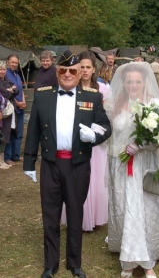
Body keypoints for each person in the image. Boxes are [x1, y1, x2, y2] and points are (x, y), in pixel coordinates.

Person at [23, 50, 111, 278]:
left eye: (74, 70)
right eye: (64, 70)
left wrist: (95, 136)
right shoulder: (43, 96)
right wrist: (29, 162)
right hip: (51, 164)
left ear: (80, 71)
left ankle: (75, 263)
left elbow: (105, 125)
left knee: (75, 214)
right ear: (57, 72)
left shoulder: (92, 97)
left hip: (77, 165)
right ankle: (50, 264)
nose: (69, 74)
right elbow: (32, 131)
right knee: (50, 214)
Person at [104, 62, 159, 278]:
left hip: (144, 164)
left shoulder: (154, 104)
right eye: (129, 81)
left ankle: (145, 260)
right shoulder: (116, 104)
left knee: (141, 208)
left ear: (144, 82)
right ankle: (128, 255)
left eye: (137, 81)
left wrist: (141, 146)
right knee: (124, 206)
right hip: (120, 164)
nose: (133, 85)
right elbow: (109, 134)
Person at [61, 51, 109, 231]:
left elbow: (107, 117)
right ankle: (76, 217)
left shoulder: (102, 89)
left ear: (94, 69)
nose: (85, 71)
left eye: (88, 67)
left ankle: (94, 217)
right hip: (76, 140)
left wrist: (97, 131)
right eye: (81, 67)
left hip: (95, 142)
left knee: (95, 180)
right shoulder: (71, 88)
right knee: (74, 179)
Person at [0, 60, 18, 169]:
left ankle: (2, 159)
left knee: (7, 134)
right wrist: (10, 90)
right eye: (0, 69)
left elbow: (16, 89)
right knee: (1, 135)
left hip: (9, 112)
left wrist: (11, 90)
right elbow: (4, 93)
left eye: (4, 69)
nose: (2, 72)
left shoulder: (6, 80)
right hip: (2, 113)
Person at [4, 54, 26, 165]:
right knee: (11, 133)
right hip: (12, 108)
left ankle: (16, 155)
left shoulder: (17, 75)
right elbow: (10, 93)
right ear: (8, 62)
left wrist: (23, 101)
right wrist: (17, 103)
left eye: (16, 63)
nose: (14, 64)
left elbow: (20, 90)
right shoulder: (6, 74)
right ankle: (7, 157)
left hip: (21, 109)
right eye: (12, 62)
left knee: (19, 133)